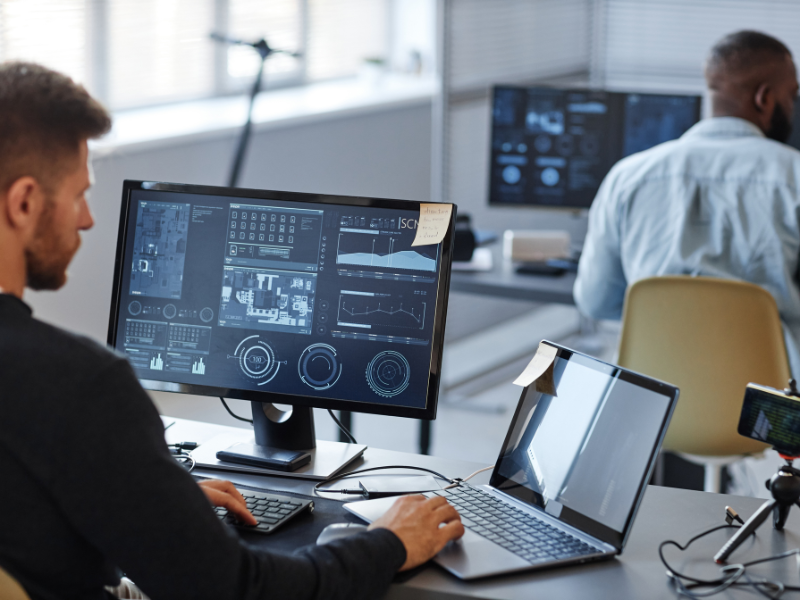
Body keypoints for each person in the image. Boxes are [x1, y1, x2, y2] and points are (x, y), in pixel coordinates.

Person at [0, 61, 464, 600]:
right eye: (79, 195)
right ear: (26, 202)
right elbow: (240, 591)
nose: (87, 219)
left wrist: (145, 497)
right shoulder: (80, 385)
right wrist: (387, 541)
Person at [574, 30, 800, 373]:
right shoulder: (794, 176)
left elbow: (596, 301)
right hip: (771, 414)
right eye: (792, 95)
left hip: (657, 406)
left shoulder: (628, 177)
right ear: (765, 98)